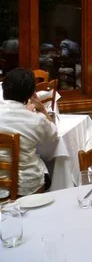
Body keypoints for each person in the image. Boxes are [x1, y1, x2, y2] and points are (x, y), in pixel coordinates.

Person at [0, 68, 57, 196]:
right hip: (26, 185)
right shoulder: (35, 120)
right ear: (31, 93)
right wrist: (42, 109)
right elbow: (53, 135)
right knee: (46, 172)